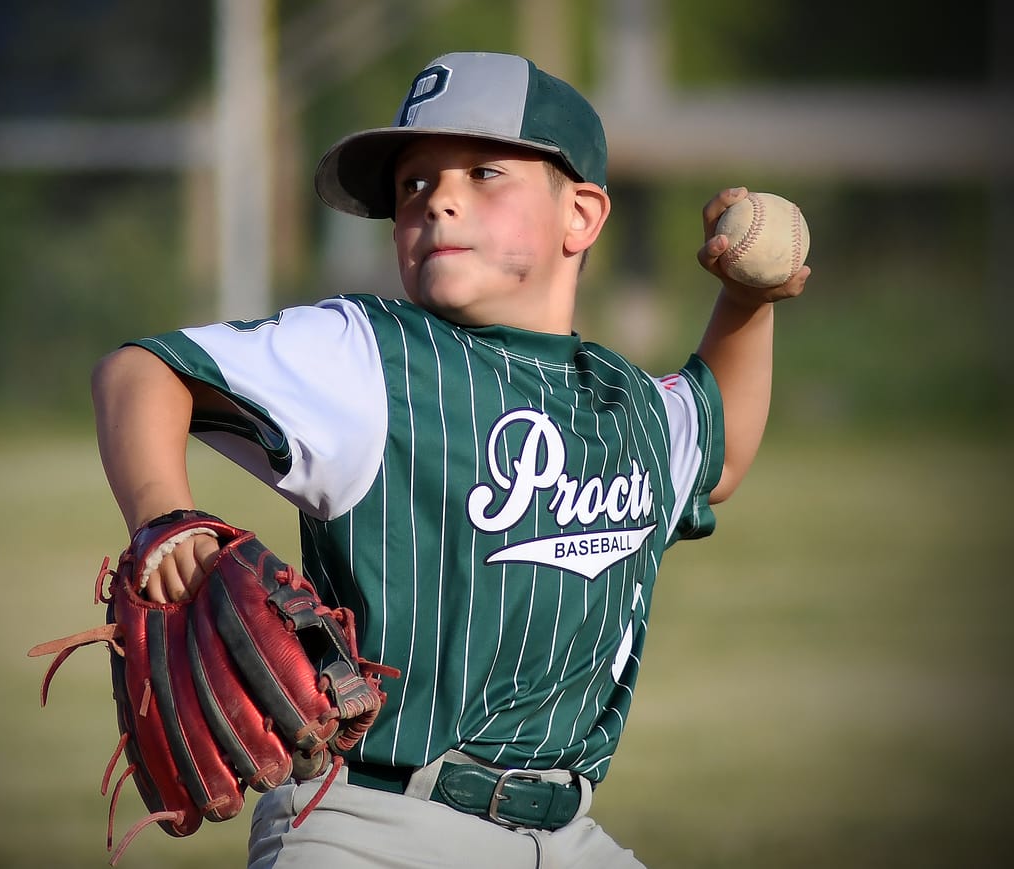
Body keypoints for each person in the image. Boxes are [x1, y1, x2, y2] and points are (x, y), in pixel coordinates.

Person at [90, 51, 807, 869]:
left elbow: (715, 450)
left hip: (564, 834)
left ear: (581, 215)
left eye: (484, 170)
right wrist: (164, 513)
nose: (440, 199)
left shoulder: (624, 401)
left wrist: (747, 305)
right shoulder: (370, 355)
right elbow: (141, 369)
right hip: (374, 824)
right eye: (413, 185)